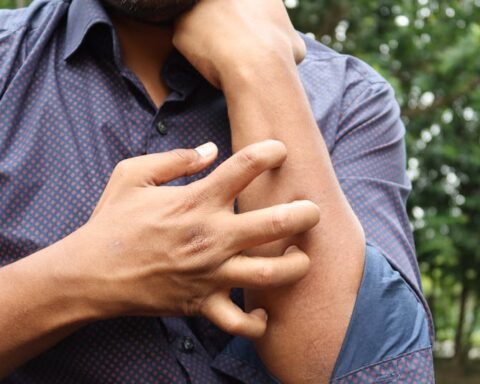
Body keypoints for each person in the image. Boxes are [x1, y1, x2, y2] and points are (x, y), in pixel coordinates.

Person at [0, 0, 435, 383]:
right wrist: (87, 275)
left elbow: (366, 370)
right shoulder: (8, 58)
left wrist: (258, 64)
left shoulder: (351, 97)